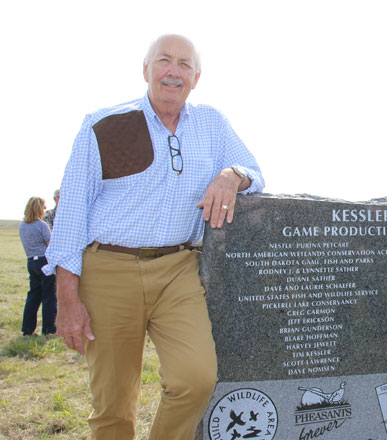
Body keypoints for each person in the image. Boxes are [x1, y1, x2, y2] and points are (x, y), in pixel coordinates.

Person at [44, 34, 265, 439]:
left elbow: (255, 171)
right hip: (108, 268)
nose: (173, 72)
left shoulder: (212, 123)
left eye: (185, 64)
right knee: (113, 403)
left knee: (196, 378)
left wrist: (231, 175)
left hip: (179, 269)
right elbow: (72, 215)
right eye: (164, 61)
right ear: (145, 70)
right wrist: (67, 298)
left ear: (196, 78)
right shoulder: (104, 124)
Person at [19, 197, 57, 336]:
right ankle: (49, 329)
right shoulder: (41, 225)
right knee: (49, 296)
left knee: (33, 296)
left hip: (31, 262)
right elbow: (50, 244)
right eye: (44, 206)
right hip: (44, 261)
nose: (45, 209)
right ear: (38, 208)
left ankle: (27, 329)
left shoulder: (23, 225)